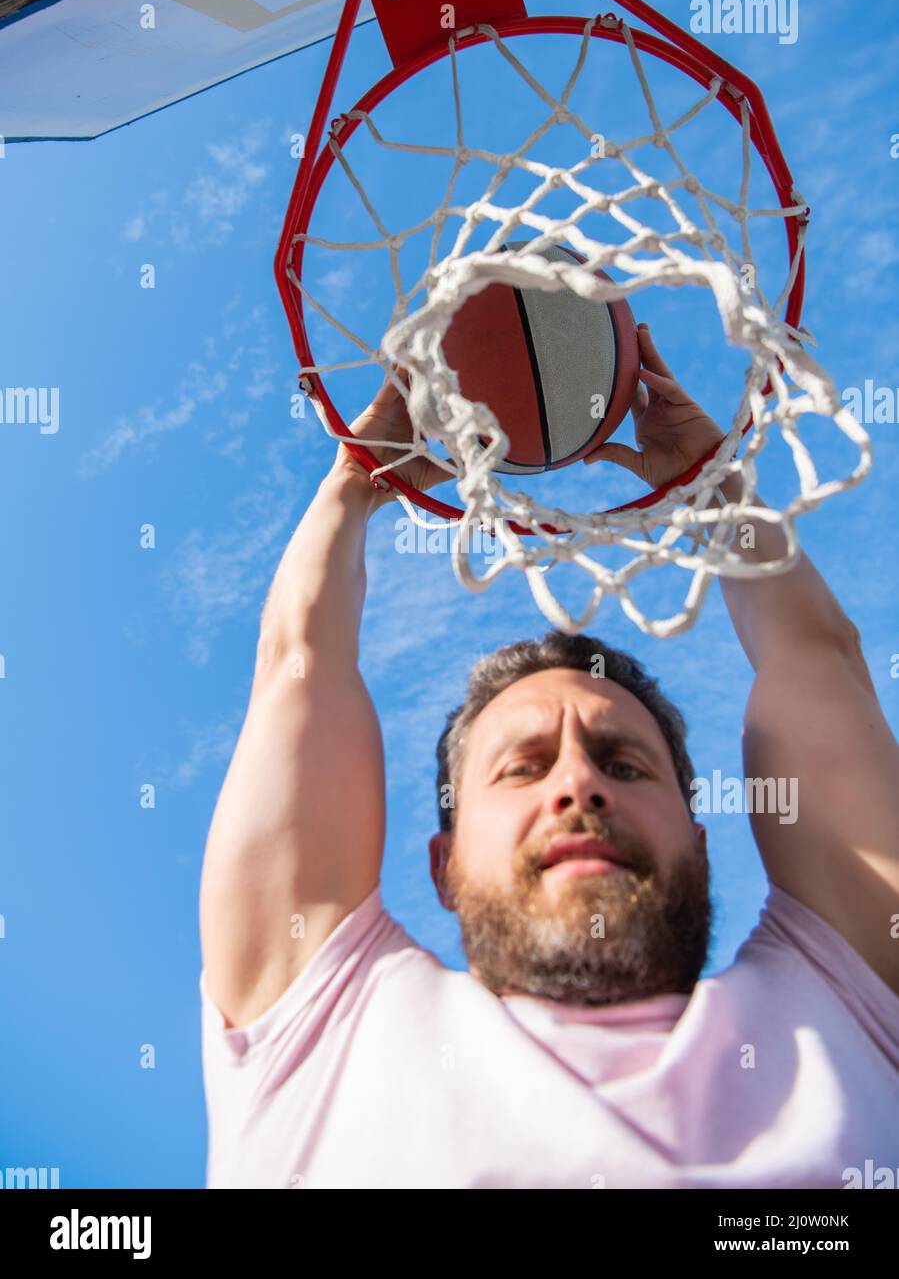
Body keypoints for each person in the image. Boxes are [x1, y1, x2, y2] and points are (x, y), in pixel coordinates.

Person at [199, 325, 899, 1189]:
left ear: (702, 840)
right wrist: (354, 483)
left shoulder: (847, 1000)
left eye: (624, 765)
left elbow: (816, 662)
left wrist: (716, 486)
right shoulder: (319, 1022)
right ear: (445, 864)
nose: (578, 786)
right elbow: (296, 668)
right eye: (522, 767)